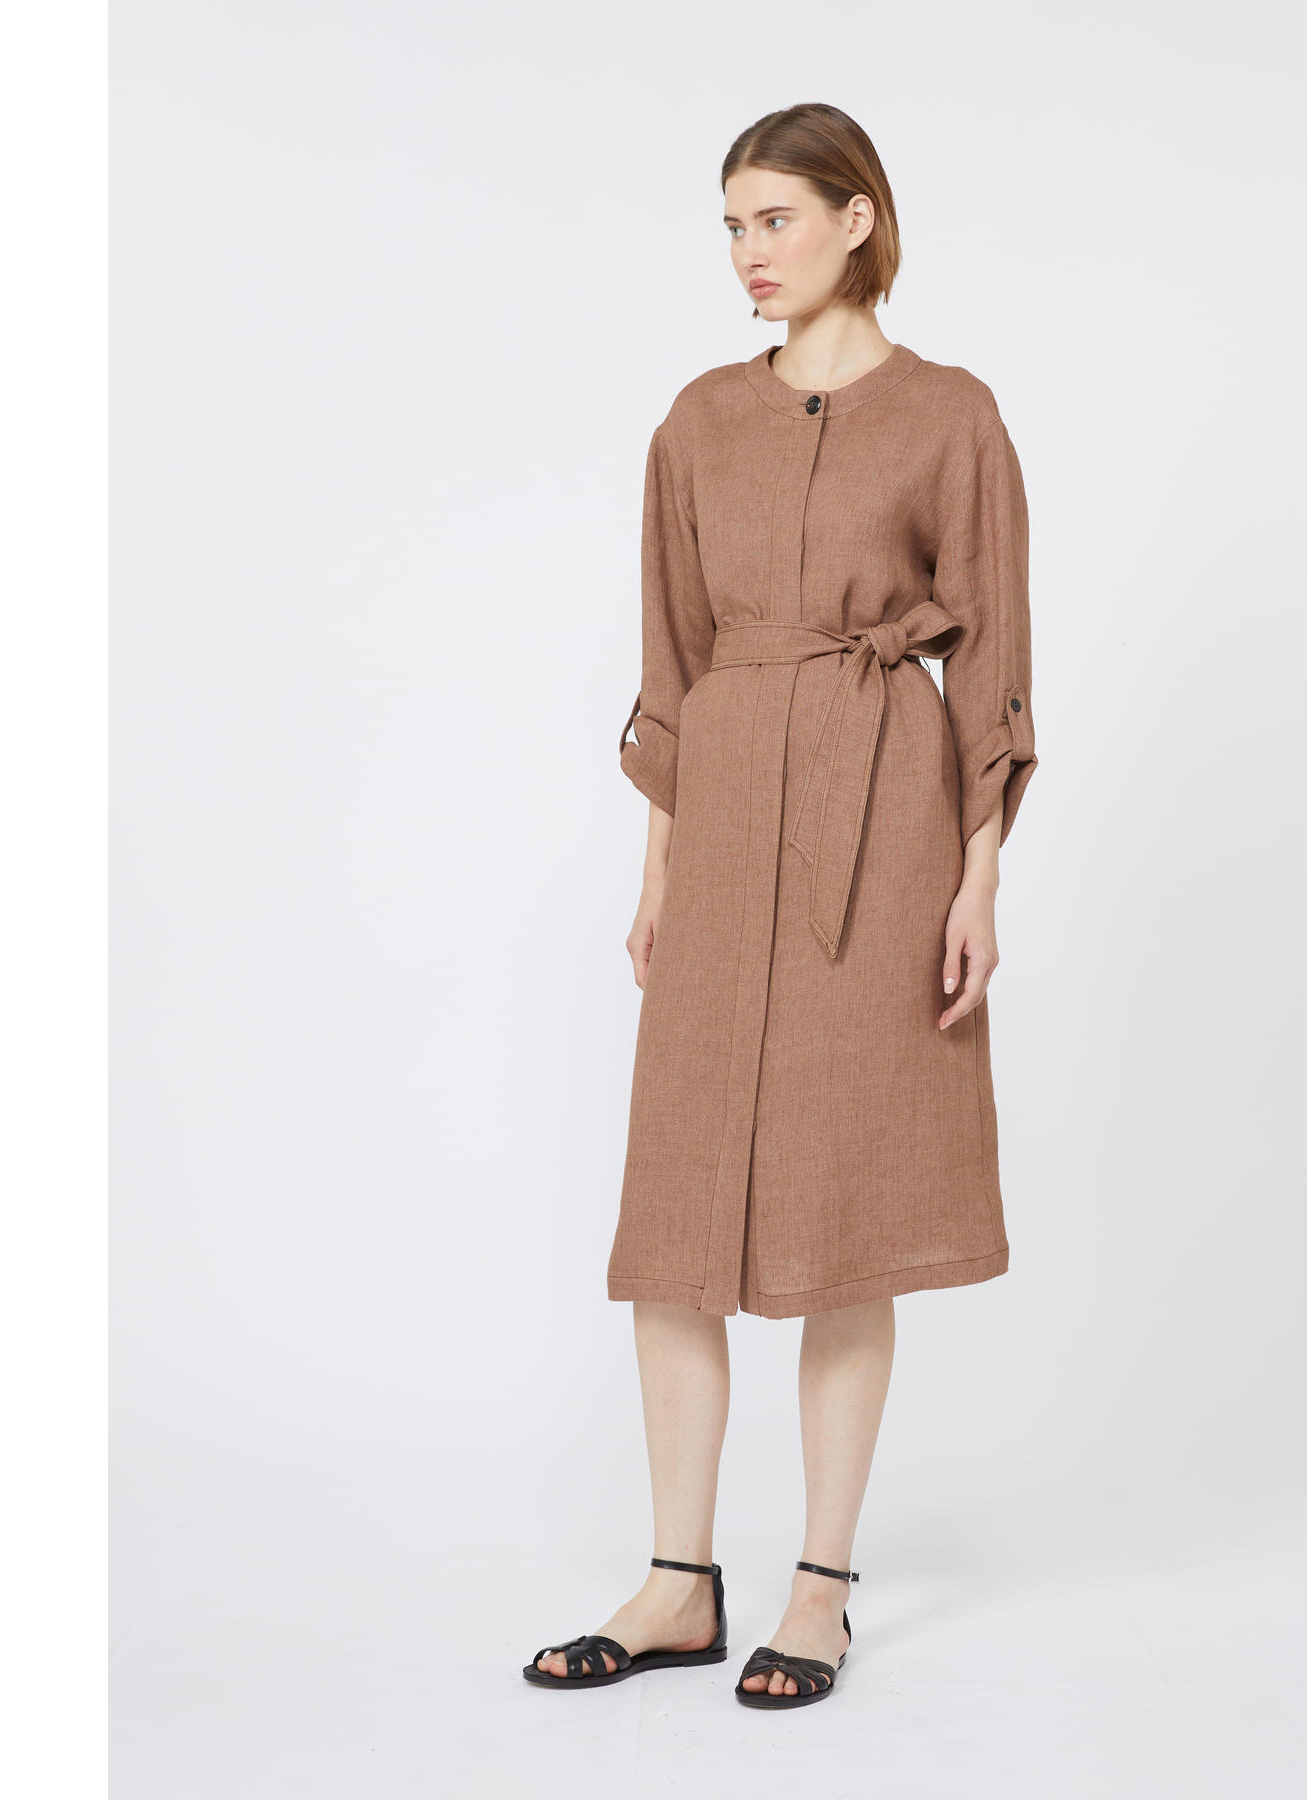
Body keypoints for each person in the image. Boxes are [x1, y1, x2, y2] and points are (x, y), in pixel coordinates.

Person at [524, 102, 1038, 1709]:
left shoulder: (951, 416)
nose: (750, 254)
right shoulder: (697, 422)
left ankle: (820, 1589)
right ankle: (678, 1582)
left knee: (842, 1202)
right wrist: (658, 873)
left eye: (776, 220)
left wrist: (979, 875)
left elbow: (993, 660)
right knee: (675, 1221)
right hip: (730, 813)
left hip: (884, 824)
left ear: (857, 218)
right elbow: (671, 663)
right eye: (733, 228)